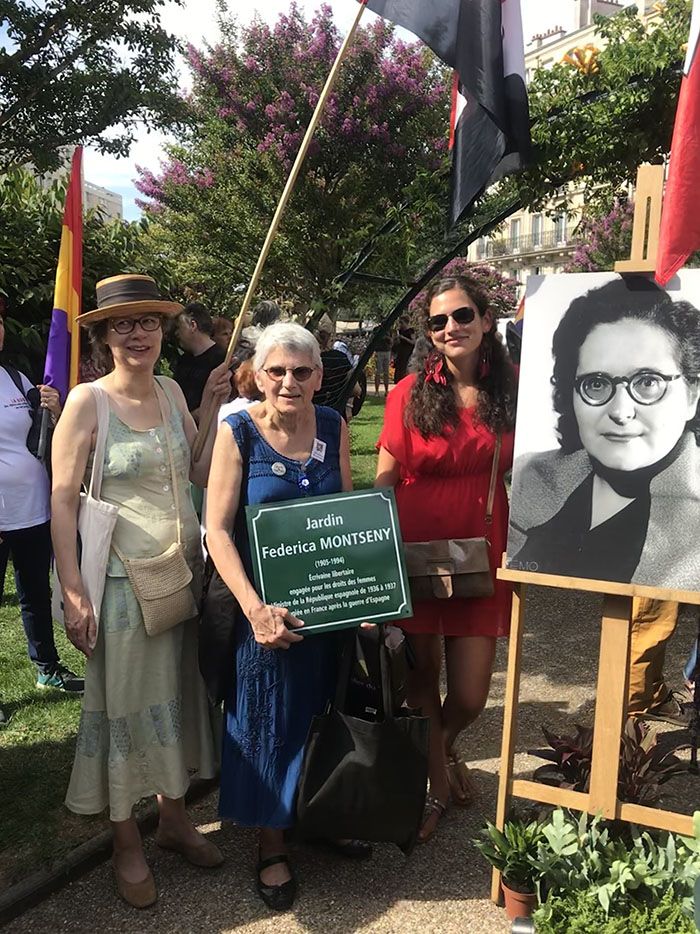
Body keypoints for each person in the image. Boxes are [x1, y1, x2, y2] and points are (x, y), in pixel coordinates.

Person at [51, 274, 232, 909]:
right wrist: (74, 591)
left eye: (148, 322)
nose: (138, 333)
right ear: (103, 335)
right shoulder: (86, 402)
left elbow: (198, 471)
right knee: (125, 710)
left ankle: (175, 819)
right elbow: (62, 500)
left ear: (162, 331)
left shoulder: (170, 388)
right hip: (122, 587)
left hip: (179, 575)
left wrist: (209, 406)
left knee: (177, 700)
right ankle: (127, 841)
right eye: (123, 324)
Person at [206, 322, 365, 912]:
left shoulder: (333, 425)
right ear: (258, 375)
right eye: (278, 371)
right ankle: (272, 842)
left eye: (303, 371)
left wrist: (368, 597)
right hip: (265, 614)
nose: (290, 382)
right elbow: (217, 531)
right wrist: (254, 610)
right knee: (268, 719)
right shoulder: (239, 432)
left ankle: (320, 813)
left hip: (327, 606)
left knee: (326, 710)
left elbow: (350, 514)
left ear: (320, 376)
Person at [375, 274, 517, 842]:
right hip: (415, 551)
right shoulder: (407, 394)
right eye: (438, 322)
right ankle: (433, 786)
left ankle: (444, 747)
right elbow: (384, 483)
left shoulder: (513, 390)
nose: (450, 328)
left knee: (469, 694)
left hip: (483, 551)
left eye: (461, 316)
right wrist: (378, 563)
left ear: (485, 321)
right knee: (421, 680)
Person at [508, 277, 700, 589]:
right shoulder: (532, 478)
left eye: (648, 382)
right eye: (596, 384)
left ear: (692, 394)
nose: (621, 412)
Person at [0, 306, 83, 724]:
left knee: (35, 595)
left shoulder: (15, 379)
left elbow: (44, 436)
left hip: (32, 510)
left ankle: (46, 668)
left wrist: (52, 404)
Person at [173, 302, 226, 418]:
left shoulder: (222, 360)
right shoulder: (183, 361)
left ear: (193, 325)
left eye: (179, 327)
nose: (177, 333)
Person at [313, 316, 354, 415]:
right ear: (329, 335)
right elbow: (355, 389)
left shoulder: (307, 359)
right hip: (336, 414)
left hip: (311, 414)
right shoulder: (340, 358)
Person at [392, 316, 415, 383]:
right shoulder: (400, 331)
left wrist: (403, 338)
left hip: (408, 351)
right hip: (401, 351)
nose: (400, 325)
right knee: (399, 368)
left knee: (406, 367)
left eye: (402, 323)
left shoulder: (410, 331)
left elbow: (413, 342)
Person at [373, 325, 392, 396]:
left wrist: (388, 338)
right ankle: (376, 391)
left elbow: (391, 341)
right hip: (379, 351)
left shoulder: (388, 330)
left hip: (387, 351)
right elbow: (374, 339)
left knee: (386, 372)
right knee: (378, 372)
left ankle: (386, 391)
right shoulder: (376, 329)